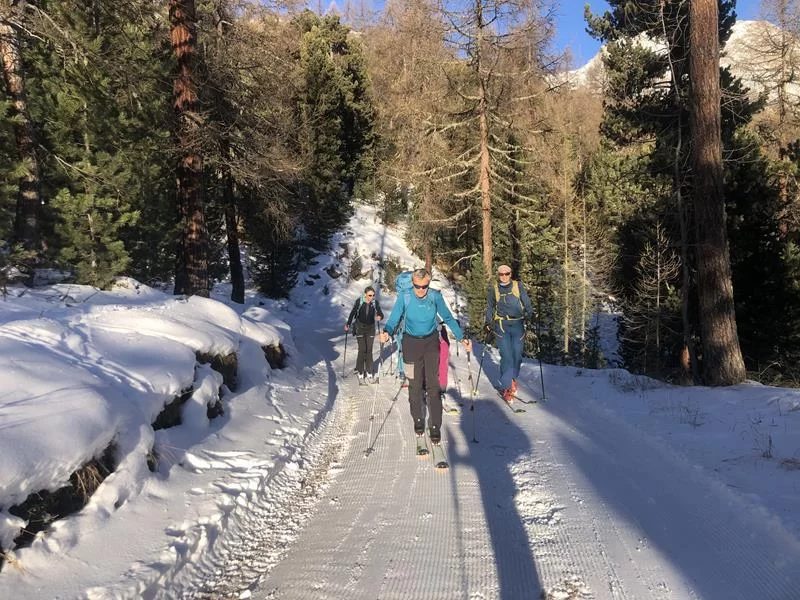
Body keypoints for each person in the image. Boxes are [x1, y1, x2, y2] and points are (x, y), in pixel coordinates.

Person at [380, 269, 471, 444]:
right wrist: (387, 332)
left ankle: (435, 425)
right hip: (410, 344)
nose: (421, 290)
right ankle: (418, 419)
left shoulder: (435, 296)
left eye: (424, 286)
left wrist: (462, 338)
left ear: (429, 284)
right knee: (414, 385)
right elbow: (394, 319)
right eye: (417, 286)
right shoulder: (405, 296)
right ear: (412, 284)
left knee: (433, 386)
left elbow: (448, 318)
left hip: (430, 344)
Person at [484, 264, 534, 401]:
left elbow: (526, 301)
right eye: (501, 274)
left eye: (507, 274)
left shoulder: (518, 286)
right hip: (501, 325)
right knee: (506, 356)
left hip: (518, 324)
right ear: (498, 275)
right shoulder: (494, 289)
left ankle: (513, 379)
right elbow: (490, 307)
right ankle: (507, 387)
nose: (504, 276)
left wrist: (531, 314)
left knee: (517, 355)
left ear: (510, 274)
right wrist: (488, 322)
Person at [345, 286, 384, 382]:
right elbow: (353, 313)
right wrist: (348, 324)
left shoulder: (375, 303)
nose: (372, 297)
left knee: (369, 350)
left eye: (373, 295)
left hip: (371, 328)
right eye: (370, 295)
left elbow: (381, 313)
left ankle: (369, 371)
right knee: (362, 349)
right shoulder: (359, 301)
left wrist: (380, 317)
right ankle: (360, 370)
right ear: (365, 294)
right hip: (360, 328)